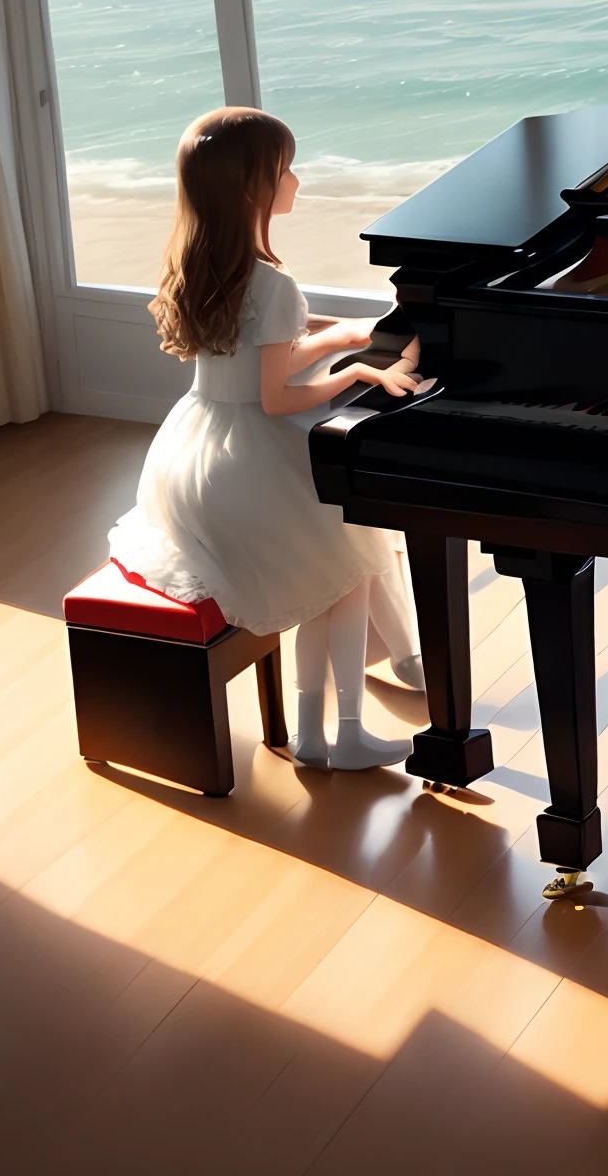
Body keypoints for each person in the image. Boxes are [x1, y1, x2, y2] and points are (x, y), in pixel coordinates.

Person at [107, 106, 425, 770]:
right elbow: (277, 396)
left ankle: (315, 738)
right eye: (285, 169)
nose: (298, 182)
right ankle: (344, 732)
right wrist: (362, 369)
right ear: (253, 186)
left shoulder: (198, 263)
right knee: (353, 565)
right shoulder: (272, 281)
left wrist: (342, 335)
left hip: (193, 455)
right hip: (251, 462)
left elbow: (258, 352)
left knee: (328, 576)